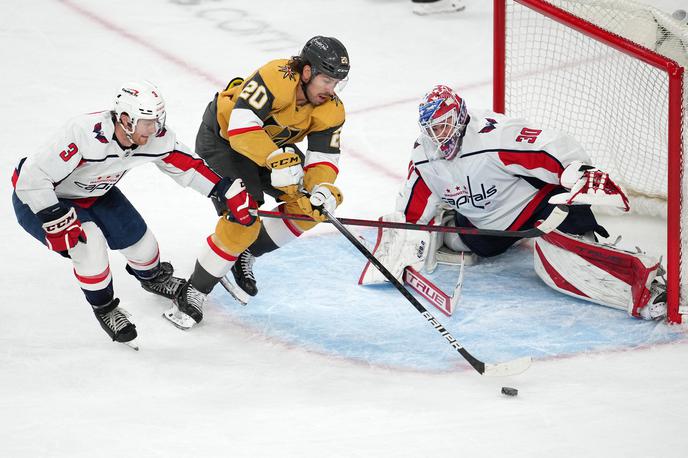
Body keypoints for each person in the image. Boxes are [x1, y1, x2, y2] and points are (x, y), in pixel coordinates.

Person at [360, 84, 668, 321]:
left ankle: (639, 282)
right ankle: (453, 224)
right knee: (455, 242)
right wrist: (402, 236)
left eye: (442, 125)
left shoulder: (492, 138)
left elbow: (547, 145)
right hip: (489, 230)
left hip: (536, 206)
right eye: (431, 129)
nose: (438, 136)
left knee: (563, 257)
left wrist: (578, 170)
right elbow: (413, 208)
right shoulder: (425, 156)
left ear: (459, 117)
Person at [11, 81, 256, 347]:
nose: (155, 129)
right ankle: (105, 308)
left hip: (94, 194)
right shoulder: (82, 134)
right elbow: (32, 178)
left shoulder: (152, 136)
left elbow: (187, 164)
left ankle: (152, 278)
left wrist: (222, 189)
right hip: (41, 198)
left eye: (158, 120)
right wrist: (52, 216)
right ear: (126, 119)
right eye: (148, 122)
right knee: (88, 246)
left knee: (143, 246)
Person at [165, 36, 349, 329]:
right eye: (326, 80)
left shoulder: (331, 109)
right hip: (224, 141)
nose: (331, 89)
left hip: (271, 152)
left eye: (337, 83)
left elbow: (323, 157)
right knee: (243, 216)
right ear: (306, 72)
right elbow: (241, 128)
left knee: (308, 210)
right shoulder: (276, 76)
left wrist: (321, 189)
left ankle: (245, 253)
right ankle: (194, 291)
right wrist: (275, 158)